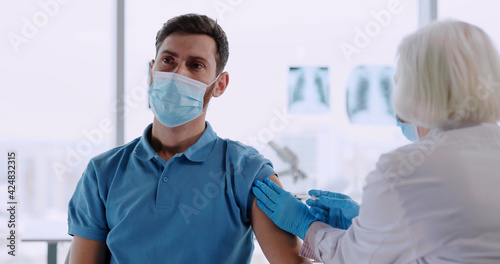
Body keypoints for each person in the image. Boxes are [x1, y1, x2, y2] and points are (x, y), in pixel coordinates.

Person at [67, 13, 310, 264]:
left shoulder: (247, 171)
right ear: (152, 71)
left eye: (195, 65)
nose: (177, 74)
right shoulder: (103, 172)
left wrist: (335, 237)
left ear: (220, 84)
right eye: (168, 60)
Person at [253, 20, 500, 263]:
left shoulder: (404, 171)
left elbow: (354, 259)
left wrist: (305, 224)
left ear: (418, 89)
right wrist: (367, 224)